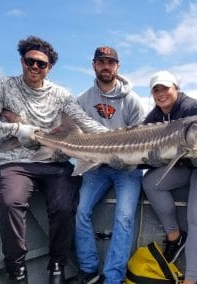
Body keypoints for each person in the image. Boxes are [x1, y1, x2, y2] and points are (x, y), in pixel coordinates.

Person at [0, 36, 107, 284]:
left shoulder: (62, 95)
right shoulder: (3, 87)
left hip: (55, 162)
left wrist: (114, 140)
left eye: (41, 64)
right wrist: (15, 130)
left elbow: (85, 123)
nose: (34, 67)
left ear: (49, 68)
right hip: (16, 162)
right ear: (22, 61)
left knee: (65, 207)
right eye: (30, 61)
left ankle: (57, 267)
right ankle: (17, 270)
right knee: (10, 202)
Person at [142, 71, 197, 284]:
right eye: (156, 90)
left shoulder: (192, 108)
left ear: (176, 88)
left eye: (166, 88)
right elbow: (142, 151)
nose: (161, 94)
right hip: (186, 165)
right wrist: (146, 161)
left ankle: (190, 281)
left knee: (196, 217)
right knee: (150, 183)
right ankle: (175, 236)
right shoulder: (154, 117)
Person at [72, 46, 145, 284]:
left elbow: (143, 137)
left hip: (128, 169)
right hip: (95, 167)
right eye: (101, 61)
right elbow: (76, 134)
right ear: (94, 65)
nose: (106, 66)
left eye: (110, 62)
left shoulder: (132, 100)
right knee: (80, 211)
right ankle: (89, 268)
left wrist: (125, 158)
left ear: (118, 67)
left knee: (124, 217)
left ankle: (113, 277)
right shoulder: (83, 99)